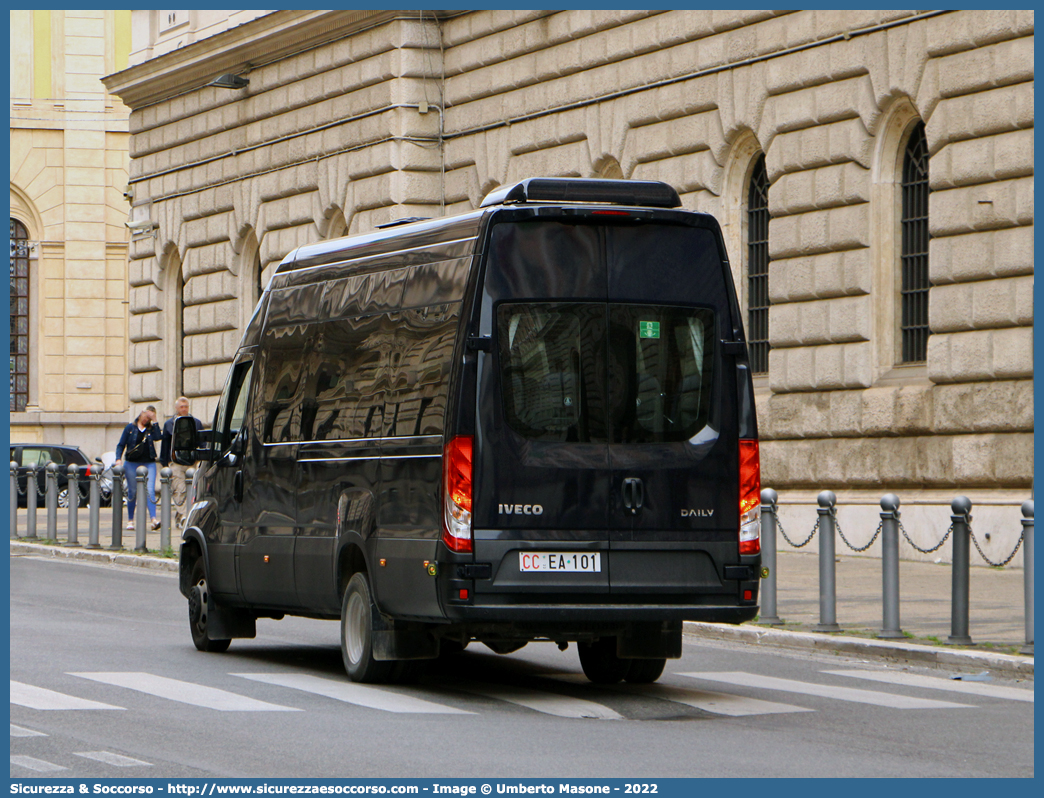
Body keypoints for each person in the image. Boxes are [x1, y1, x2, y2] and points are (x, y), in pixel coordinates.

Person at [115, 406, 162, 531]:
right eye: (146, 416)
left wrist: (155, 420)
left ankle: (153, 519)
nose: (147, 419)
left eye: (149, 417)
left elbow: (158, 437)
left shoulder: (151, 429)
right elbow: (121, 445)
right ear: (141, 414)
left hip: (149, 463)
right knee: (133, 492)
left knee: (150, 490)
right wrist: (118, 459)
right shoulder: (130, 428)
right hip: (131, 463)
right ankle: (130, 520)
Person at [161, 396, 204, 529]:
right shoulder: (169, 424)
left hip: (192, 461)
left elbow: (202, 441)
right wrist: (164, 463)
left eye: (186, 407)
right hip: (176, 462)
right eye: (181, 407)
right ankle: (185, 516)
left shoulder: (196, 423)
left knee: (192, 490)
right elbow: (165, 444)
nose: (184, 409)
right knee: (180, 489)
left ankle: (182, 516)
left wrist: (203, 456)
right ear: (177, 408)